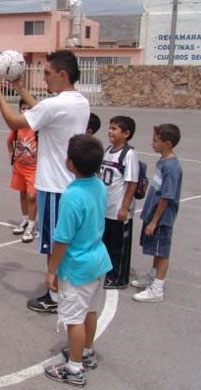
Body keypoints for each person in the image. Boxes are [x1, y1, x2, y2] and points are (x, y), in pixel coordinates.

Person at [0, 50, 90, 313]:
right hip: (71, 185)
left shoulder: (55, 105)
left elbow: (13, 121)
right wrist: (19, 88)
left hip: (54, 187)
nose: (44, 80)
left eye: (48, 74)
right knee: (67, 242)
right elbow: (43, 113)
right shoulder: (79, 101)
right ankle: (65, 290)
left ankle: (55, 296)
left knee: (54, 245)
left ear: (63, 74)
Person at [43, 134, 112, 387]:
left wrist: (52, 271)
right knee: (90, 310)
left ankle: (74, 367)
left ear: (71, 163)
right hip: (98, 260)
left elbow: (62, 239)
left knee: (74, 319)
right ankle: (86, 351)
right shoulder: (99, 186)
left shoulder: (72, 196)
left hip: (78, 266)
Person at [131, 124, 182, 303]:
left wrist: (154, 221)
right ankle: (153, 277)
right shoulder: (163, 161)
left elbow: (167, 196)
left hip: (161, 218)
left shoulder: (171, 167)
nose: (152, 143)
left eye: (155, 140)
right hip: (153, 214)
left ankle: (157, 288)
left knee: (162, 251)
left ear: (168, 143)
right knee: (156, 249)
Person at [101, 116, 139, 289]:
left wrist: (124, 207)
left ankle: (120, 277)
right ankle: (109, 271)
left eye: (115, 129)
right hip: (106, 207)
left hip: (118, 209)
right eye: (110, 127)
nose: (110, 131)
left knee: (119, 246)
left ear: (126, 134)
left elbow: (132, 182)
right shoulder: (108, 150)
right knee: (107, 241)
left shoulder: (129, 154)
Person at [7, 98, 38, 243]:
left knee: (32, 196)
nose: (26, 111)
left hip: (33, 168)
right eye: (23, 108)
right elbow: (9, 142)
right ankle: (24, 219)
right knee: (23, 194)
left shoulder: (37, 128)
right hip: (20, 166)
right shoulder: (17, 128)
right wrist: (12, 158)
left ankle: (31, 225)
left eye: (29, 108)